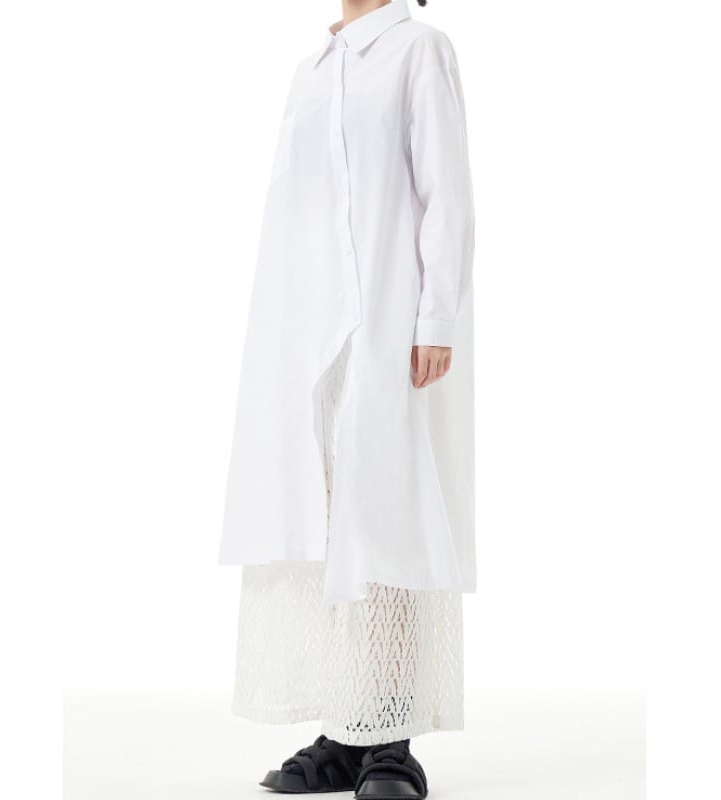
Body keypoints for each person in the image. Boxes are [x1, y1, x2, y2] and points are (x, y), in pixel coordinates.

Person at [219, 0, 476, 796]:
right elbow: (293, 211)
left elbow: (446, 191)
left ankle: (390, 736)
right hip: (305, 339)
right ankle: (343, 727)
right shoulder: (311, 71)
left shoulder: (418, 51)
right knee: (321, 527)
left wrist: (435, 316)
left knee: (387, 523)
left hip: (387, 327)